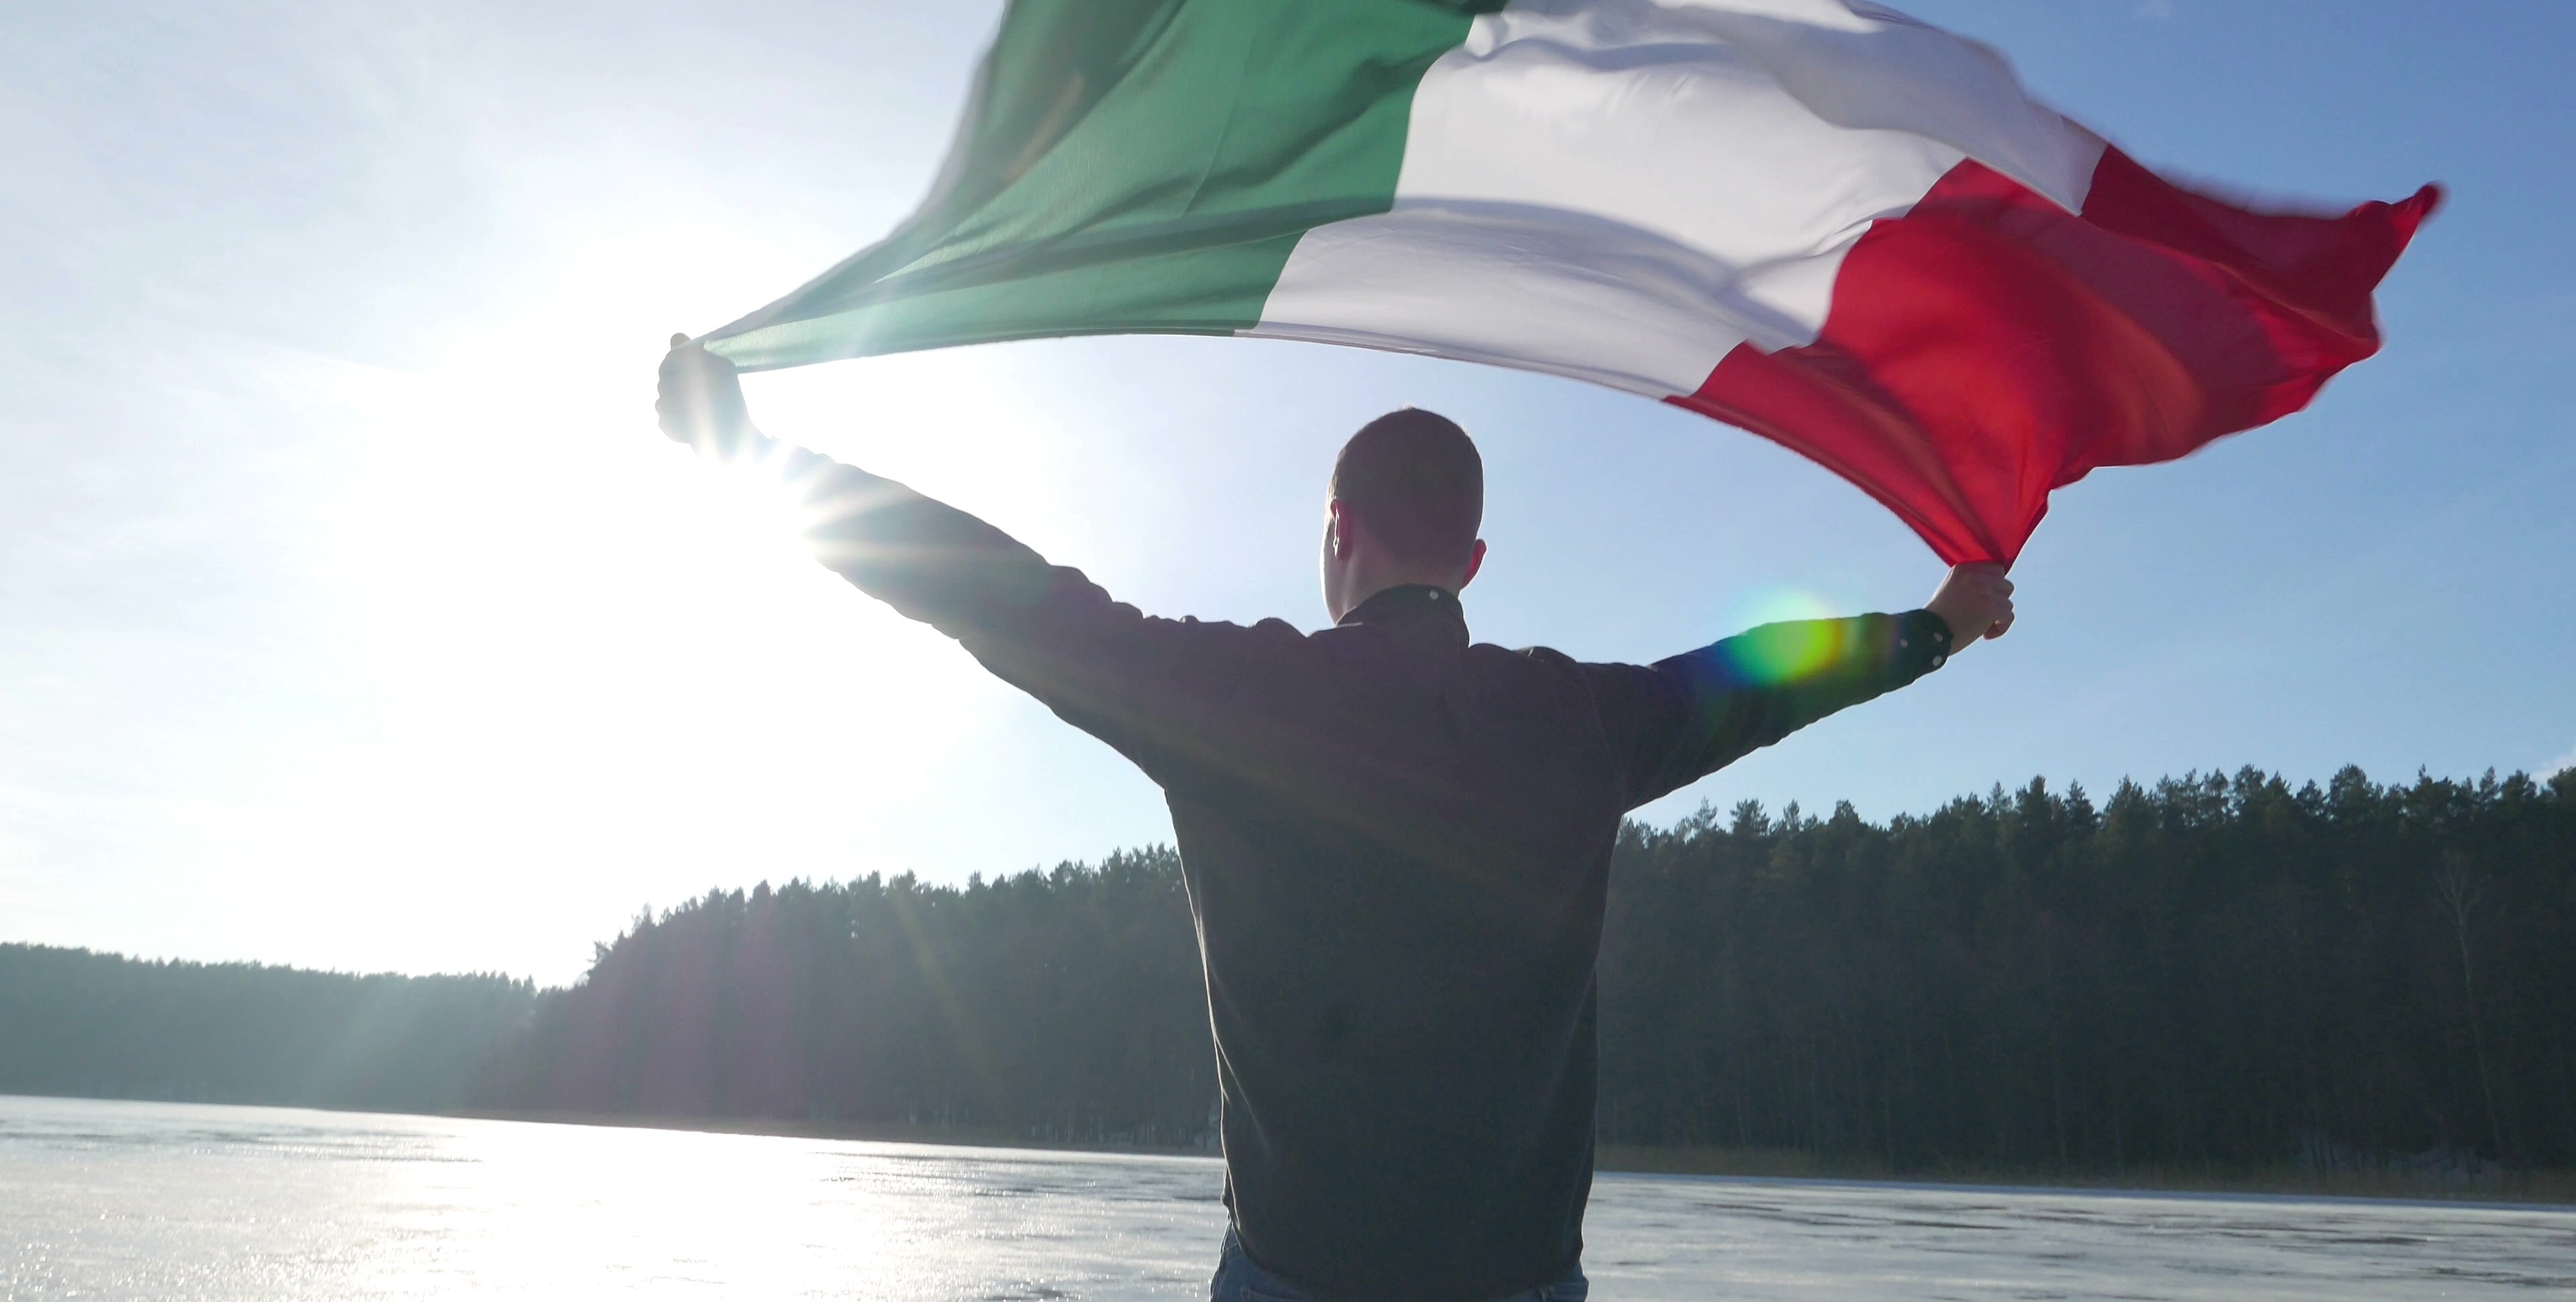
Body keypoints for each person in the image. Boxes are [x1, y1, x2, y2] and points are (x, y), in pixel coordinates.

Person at [657, 336, 2013, 1302]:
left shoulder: (1239, 697)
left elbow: (991, 590)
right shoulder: (1585, 722)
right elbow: (1765, 675)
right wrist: (1932, 630)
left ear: (1336, 529)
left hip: (1301, 1279)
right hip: (1521, 1284)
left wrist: (753, 455)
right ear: (1475, 559)